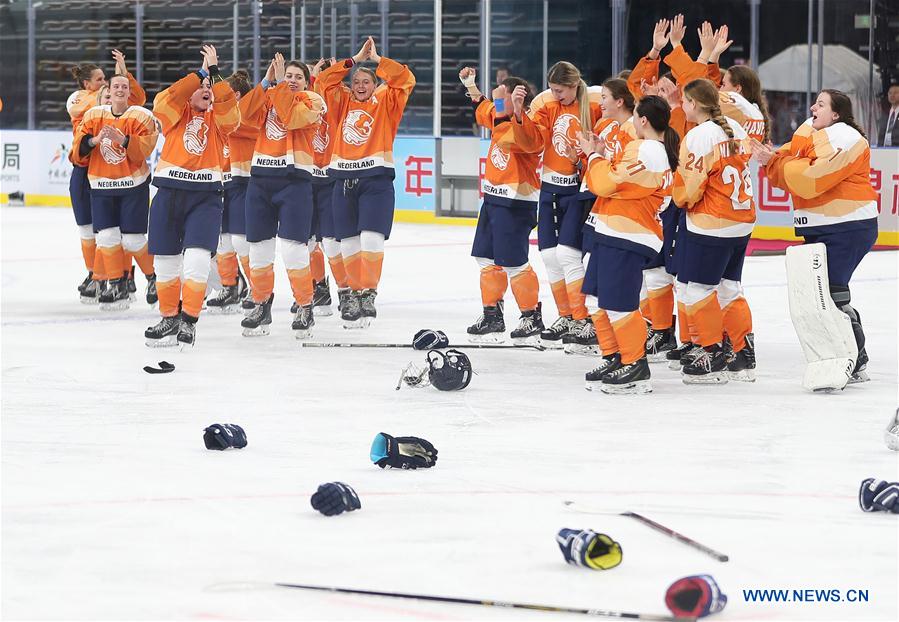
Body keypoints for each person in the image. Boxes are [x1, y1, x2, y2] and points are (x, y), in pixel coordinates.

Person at [753, 90, 878, 381]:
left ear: (837, 114)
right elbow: (791, 171)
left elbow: (809, 180)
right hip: (826, 226)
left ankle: (854, 356)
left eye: (821, 104)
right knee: (824, 293)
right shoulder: (812, 135)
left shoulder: (845, 136)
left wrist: (779, 161)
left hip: (847, 227)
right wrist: (775, 161)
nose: (812, 108)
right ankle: (853, 356)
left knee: (831, 294)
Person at [578, 95, 679, 393]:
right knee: (598, 300)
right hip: (612, 230)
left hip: (627, 235)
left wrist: (593, 156)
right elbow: (618, 180)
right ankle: (615, 356)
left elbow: (607, 183)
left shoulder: (648, 149)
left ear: (643, 120)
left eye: (635, 115)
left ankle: (635, 363)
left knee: (619, 304)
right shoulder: (648, 150)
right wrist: (600, 153)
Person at [314, 36, 415, 328]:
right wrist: (354, 60)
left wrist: (378, 61)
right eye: (356, 81)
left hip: (376, 179)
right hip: (342, 179)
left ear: (375, 85)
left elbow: (405, 79)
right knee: (348, 243)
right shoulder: (340, 101)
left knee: (371, 239)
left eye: (366, 81)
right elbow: (324, 82)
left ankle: (368, 293)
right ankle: (353, 294)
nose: (360, 85)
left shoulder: (386, 101)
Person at [144, 45, 239, 348]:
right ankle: (169, 316)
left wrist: (215, 74)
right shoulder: (173, 114)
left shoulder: (221, 121)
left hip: (206, 197)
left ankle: (189, 320)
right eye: (201, 87)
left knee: (197, 261)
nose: (207, 89)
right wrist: (199, 73)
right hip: (169, 193)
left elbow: (230, 109)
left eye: (210, 87)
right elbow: (168, 97)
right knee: (166, 262)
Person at [672, 78, 756, 384]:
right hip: (742, 220)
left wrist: (679, 200)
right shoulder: (737, 128)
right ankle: (743, 353)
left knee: (698, 289)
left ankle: (712, 353)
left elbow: (689, 187)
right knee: (729, 287)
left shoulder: (698, 136)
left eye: (684, 101)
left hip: (711, 223)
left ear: (694, 104)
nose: (682, 106)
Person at [238, 54, 325, 338]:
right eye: (288, 75)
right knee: (259, 249)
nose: (292, 80)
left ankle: (305, 305)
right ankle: (261, 303)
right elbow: (242, 113)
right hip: (260, 181)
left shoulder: (313, 102)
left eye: (298, 77)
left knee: (292, 248)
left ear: (307, 82)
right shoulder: (270, 95)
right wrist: (265, 82)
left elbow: (291, 118)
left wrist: (278, 89)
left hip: (295, 183)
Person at [459, 67, 545, 344]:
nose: (496, 102)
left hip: (516, 202)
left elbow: (514, 135)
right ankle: (492, 315)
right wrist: (471, 86)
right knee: (485, 257)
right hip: (494, 197)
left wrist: (514, 109)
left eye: (501, 96)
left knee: (514, 261)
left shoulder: (530, 123)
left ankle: (531, 315)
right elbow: (484, 109)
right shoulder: (501, 115)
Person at [528, 61, 602, 349]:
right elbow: (531, 140)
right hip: (550, 188)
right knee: (549, 257)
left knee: (568, 255)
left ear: (573, 86)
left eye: (560, 90)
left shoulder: (594, 101)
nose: (556, 95)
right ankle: (566, 314)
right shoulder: (545, 102)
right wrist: (519, 113)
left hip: (579, 192)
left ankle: (583, 318)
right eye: (552, 90)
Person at [73, 72, 158, 310]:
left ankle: (154, 277)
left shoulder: (141, 116)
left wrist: (124, 141)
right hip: (101, 185)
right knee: (107, 237)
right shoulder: (92, 115)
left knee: (132, 240)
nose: (120, 90)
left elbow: (145, 150)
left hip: (133, 186)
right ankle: (117, 283)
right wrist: (93, 140)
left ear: (129, 91)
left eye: (124, 86)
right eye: (115, 86)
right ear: (108, 91)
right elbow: (77, 149)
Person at [206, 69, 257, 315]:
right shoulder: (221, 118)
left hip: (242, 183)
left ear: (235, 96)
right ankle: (230, 287)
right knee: (223, 241)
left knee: (241, 242)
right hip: (219, 184)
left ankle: (258, 288)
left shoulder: (247, 117)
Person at [878, 83, 899, 147]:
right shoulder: (885, 113)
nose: (892, 95)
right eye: (890, 93)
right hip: (883, 149)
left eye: (895, 93)